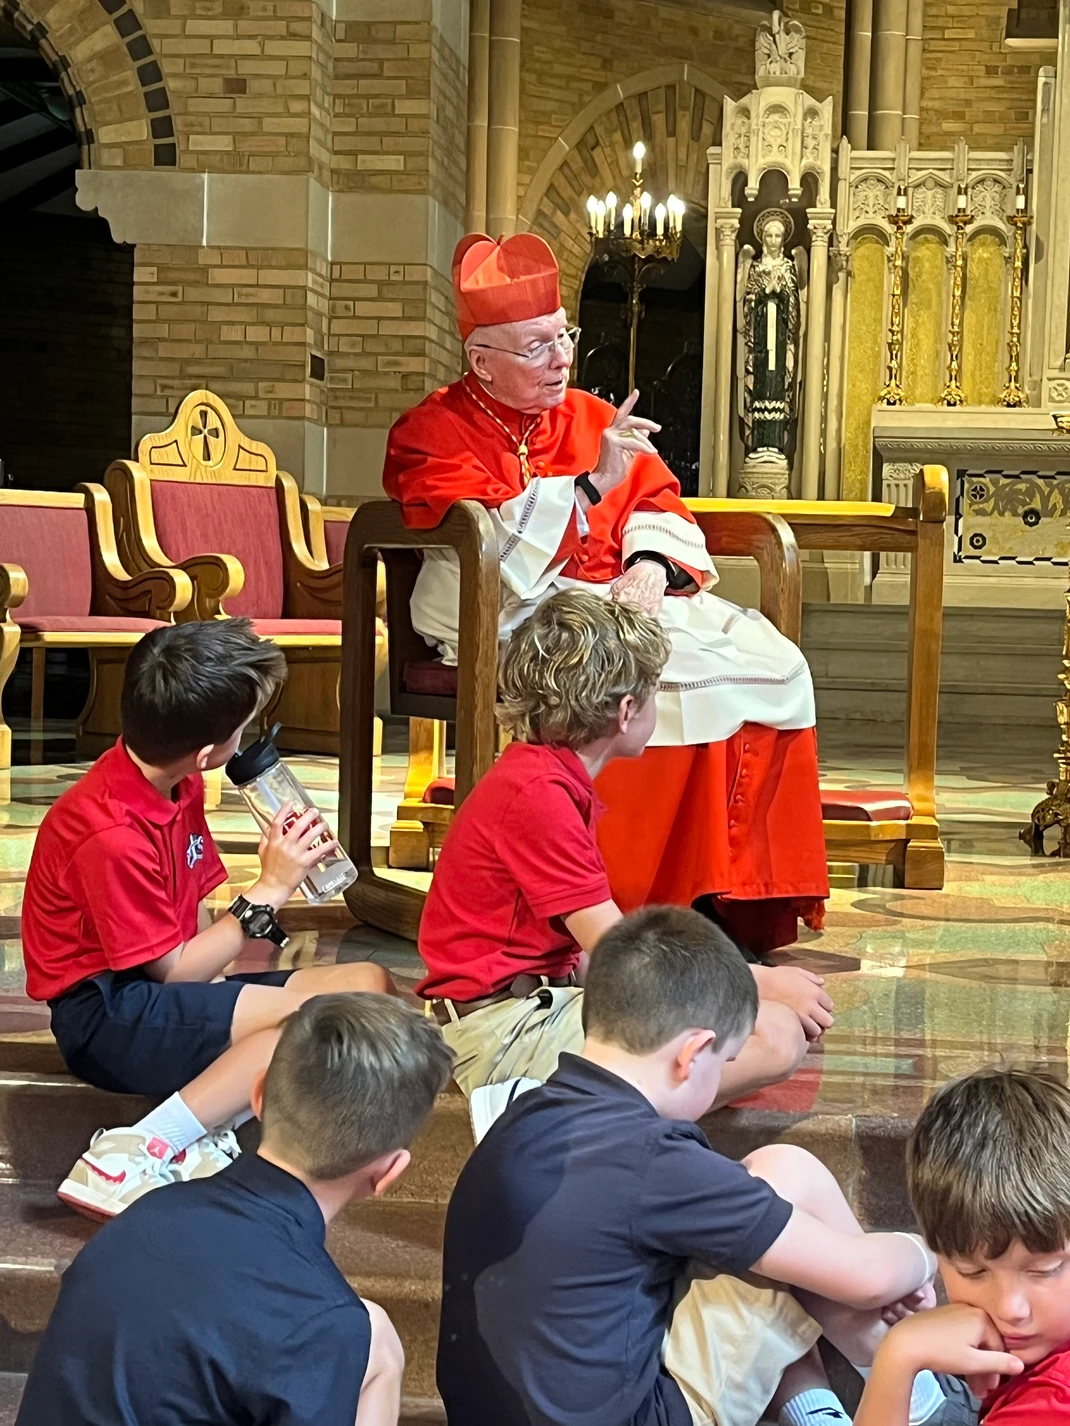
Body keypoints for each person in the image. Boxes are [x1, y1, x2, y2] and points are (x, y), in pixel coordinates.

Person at [384, 231, 828, 955]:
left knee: (772, 663)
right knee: (647, 674)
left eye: (564, 337)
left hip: (612, 598)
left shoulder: (592, 415)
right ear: (481, 361)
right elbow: (484, 545)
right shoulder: (432, 430)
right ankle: (618, 899)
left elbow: (657, 500)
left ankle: (723, 898)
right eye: (537, 347)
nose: (562, 358)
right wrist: (590, 485)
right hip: (506, 612)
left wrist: (650, 566)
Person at [437, 906, 965, 1426]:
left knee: (759, 1235)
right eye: (726, 1061)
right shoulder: (652, 1159)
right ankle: (926, 1405)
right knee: (788, 1177)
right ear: (692, 1054)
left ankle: (852, 1406)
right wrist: (920, 1256)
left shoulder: (520, 1115)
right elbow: (868, 1278)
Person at [418, 589, 833, 1129]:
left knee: (744, 1025)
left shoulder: (545, 778)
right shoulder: (537, 796)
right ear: (626, 711)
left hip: (538, 1002)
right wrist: (754, 981)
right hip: (502, 1030)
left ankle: (612, 1110)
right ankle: (597, 1124)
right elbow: (618, 949)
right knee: (774, 1037)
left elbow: (584, 955)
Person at [21, 617, 393, 1219]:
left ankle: (214, 1118)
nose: (245, 740)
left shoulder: (179, 785)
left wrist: (222, 998)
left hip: (162, 986)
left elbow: (191, 917)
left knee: (368, 985)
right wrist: (270, 888)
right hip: (105, 1017)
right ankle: (139, 1147)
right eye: (242, 729)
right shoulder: (107, 832)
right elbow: (172, 975)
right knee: (320, 1024)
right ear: (206, 753)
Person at [17, 993, 453, 1426]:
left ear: (258, 1096)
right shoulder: (322, 1318)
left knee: (374, 1333)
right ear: (388, 1173)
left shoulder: (146, 1211)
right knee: (364, 1334)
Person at [857, 1067, 1070, 1425]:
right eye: (973, 1272)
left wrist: (897, 1357)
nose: (1010, 1309)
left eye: (1043, 1270)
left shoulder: (1050, 1403)